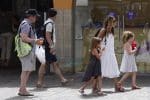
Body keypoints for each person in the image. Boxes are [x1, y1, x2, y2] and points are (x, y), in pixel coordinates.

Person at [18, 9, 42, 96]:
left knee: (27, 70)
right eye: (35, 16)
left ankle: (22, 88)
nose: (36, 18)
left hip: (27, 50)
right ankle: (23, 90)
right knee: (26, 70)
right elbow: (24, 38)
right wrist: (35, 40)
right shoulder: (26, 25)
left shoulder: (26, 24)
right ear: (31, 17)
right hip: (26, 51)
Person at [44, 8, 68, 85]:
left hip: (48, 47)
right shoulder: (49, 24)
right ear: (55, 16)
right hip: (49, 47)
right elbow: (48, 36)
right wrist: (52, 47)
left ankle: (62, 79)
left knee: (54, 63)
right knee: (45, 64)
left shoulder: (47, 23)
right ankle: (40, 81)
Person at [98, 16, 120, 92]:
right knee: (102, 70)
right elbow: (97, 41)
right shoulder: (103, 30)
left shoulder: (112, 30)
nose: (116, 23)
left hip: (111, 53)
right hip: (104, 54)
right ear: (111, 22)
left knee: (114, 69)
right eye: (115, 22)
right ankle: (97, 88)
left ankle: (116, 86)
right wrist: (101, 48)